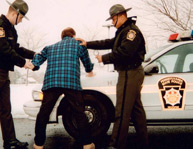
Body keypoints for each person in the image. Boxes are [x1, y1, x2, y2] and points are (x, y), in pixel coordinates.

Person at [77, 4, 148, 149]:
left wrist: (105, 58)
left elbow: (125, 52)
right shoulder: (123, 31)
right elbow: (109, 43)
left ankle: (116, 145)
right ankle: (143, 142)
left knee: (121, 110)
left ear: (121, 16)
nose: (112, 22)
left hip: (130, 72)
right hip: (130, 72)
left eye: (113, 19)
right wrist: (87, 44)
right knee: (136, 110)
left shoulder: (131, 32)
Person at [0, 0, 35, 149]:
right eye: (21, 18)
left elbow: (16, 49)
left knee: (5, 108)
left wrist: (34, 55)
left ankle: (9, 140)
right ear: (14, 13)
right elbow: (4, 50)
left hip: (4, 72)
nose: (21, 21)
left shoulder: (11, 30)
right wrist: (24, 63)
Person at [31, 27, 95, 149]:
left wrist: (33, 65)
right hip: (71, 83)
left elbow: (37, 60)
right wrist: (90, 70)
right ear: (74, 36)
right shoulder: (78, 45)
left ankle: (38, 144)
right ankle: (87, 144)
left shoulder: (50, 47)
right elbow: (86, 62)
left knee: (44, 113)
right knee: (79, 113)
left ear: (62, 37)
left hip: (51, 83)